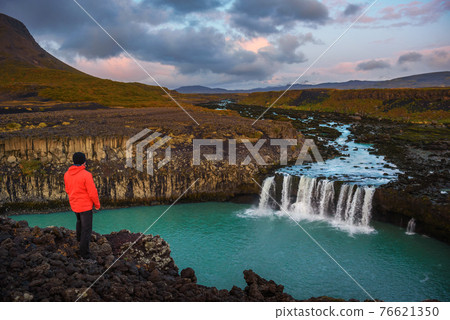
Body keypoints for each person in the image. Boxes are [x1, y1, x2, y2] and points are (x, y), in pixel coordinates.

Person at [64, 152, 101, 259]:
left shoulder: (67, 174)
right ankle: (84, 253)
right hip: (85, 206)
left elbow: (67, 189)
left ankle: (79, 240)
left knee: (79, 221)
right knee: (87, 229)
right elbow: (92, 192)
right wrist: (97, 205)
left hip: (74, 204)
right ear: (84, 162)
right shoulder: (86, 175)